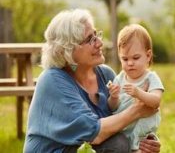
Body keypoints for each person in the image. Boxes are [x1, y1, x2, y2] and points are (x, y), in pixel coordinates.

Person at [24, 9, 161, 153]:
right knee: (117, 144)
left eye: (96, 35)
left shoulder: (105, 74)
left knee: (119, 142)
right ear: (68, 50)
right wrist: (137, 110)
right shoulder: (52, 80)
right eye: (90, 39)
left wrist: (145, 142)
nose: (100, 43)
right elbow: (94, 133)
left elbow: (121, 122)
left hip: (86, 148)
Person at [107, 24, 164, 153]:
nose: (130, 63)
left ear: (148, 56)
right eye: (125, 59)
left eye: (135, 58)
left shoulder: (150, 78)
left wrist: (139, 93)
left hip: (142, 135)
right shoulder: (119, 78)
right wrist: (113, 97)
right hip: (122, 131)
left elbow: (156, 101)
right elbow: (112, 108)